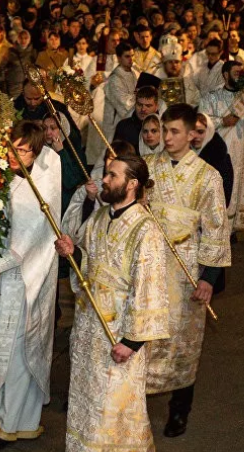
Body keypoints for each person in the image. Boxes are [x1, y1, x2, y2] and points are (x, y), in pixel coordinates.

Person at [54, 154, 170, 452]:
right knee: (87, 402)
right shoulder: (100, 216)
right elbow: (89, 260)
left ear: (132, 184)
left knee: (114, 408)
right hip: (89, 330)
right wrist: (73, 253)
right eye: (106, 173)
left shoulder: (147, 230)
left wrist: (131, 342)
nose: (104, 180)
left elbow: (150, 289)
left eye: (112, 175)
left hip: (119, 333)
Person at [143, 103, 231, 438]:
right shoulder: (149, 167)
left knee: (184, 340)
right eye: (163, 130)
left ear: (194, 132)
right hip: (150, 265)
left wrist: (208, 278)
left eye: (174, 131)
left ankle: (179, 410)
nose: (166, 137)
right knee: (144, 330)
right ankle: (136, 401)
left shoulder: (208, 176)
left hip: (186, 267)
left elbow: (217, 229)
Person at [0, 121, 61, 449]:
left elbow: (31, 236)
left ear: (35, 152)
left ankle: (12, 421)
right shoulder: (0, 178)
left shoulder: (42, 185)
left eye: (23, 150)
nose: (14, 155)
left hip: (24, 282)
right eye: (11, 147)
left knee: (17, 353)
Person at [199, 60, 244, 230]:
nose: (240, 77)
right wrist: (222, 121)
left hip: (243, 151)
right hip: (219, 153)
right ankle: (218, 227)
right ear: (225, 75)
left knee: (238, 187)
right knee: (219, 188)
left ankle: (232, 227)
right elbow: (200, 121)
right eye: (236, 73)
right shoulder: (211, 97)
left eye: (241, 74)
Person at [43, 113, 87, 214]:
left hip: (66, 206)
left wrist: (61, 152)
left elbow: (70, 181)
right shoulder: (41, 149)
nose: (48, 132)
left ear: (62, 129)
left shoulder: (74, 150)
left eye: (53, 128)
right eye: (44, 128)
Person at [102, 42, 138, 141]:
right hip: (119, 126)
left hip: (132, 122)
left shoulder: (133, 73)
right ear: (118, 58)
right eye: (127, 56)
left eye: (132, 56)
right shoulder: (114, 79)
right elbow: (125, 105)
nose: (131, 59)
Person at [113, 86, 163, 150]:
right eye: (139, 105)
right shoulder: (123, 126)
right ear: (135, 104)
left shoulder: (164, 126)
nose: (143, 109)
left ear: (156, 107)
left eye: (148, 106)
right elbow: (115, 154)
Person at [1, 29, 37, 99]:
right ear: (18, 38)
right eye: (21, 38)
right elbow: (2, 69)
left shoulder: (33, 52)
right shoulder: (10, 52)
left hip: (28, 87)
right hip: (13, 87)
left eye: (25, 38)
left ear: (29, 39)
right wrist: (3, 87)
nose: (23, 40)